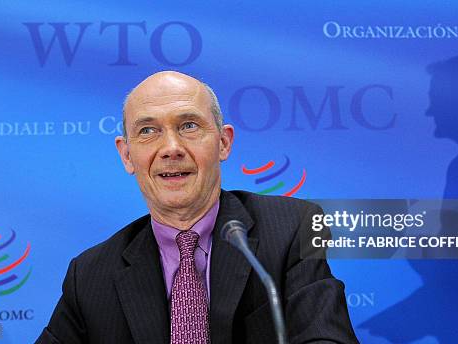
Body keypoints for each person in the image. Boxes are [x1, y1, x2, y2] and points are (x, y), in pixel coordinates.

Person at [36, 71, 358, 344]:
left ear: (223, 142)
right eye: (148, 131)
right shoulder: (91, 275)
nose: (171, 148)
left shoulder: (291, 228)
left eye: (189, 126)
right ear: (126, 155)